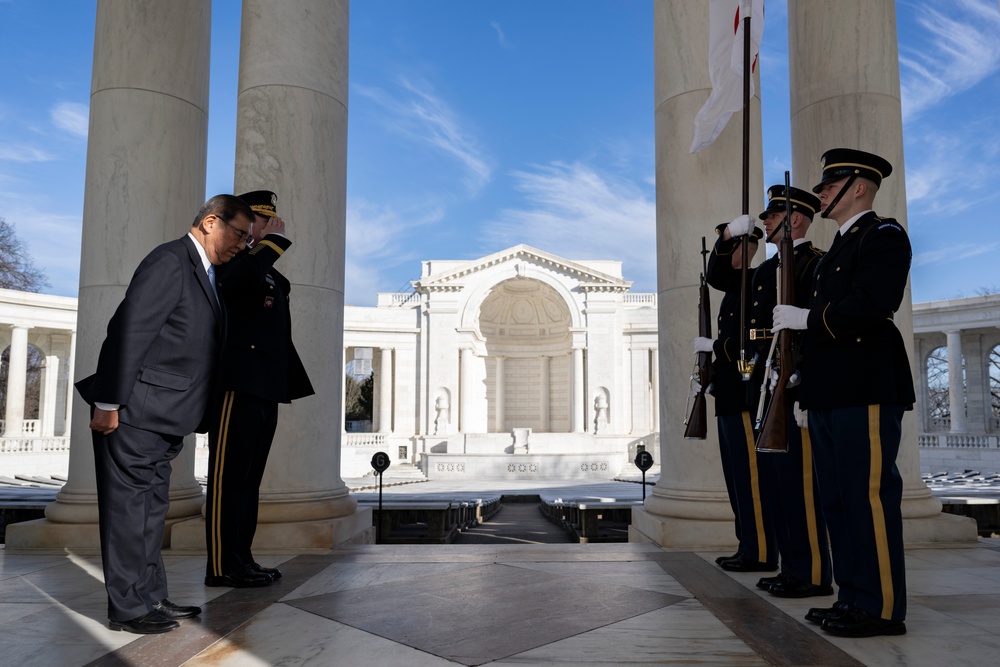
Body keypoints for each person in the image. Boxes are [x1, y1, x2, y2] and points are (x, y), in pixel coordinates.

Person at [76, 195, 256, 634]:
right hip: (135, 411)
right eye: (239, 234)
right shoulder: (170, 261)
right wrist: (107, 402)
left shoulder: (206, 271)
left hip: (165, 415)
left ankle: (151, 595)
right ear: (211, 222)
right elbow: (129, 329)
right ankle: (128, 607)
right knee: (127, 513)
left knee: (149, 510)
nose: (242, 245)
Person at [772, 148, 914, 638]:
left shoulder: (883, 236)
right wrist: (804, 382)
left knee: (868, 496)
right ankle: (852, 596)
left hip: (865, 384)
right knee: (836, 498)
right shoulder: (839, 246)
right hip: (831, 389)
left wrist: (807, 319)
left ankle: (881, 608)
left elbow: (873, 304)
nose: (821, 193)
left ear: (859, 186)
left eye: (830, 185)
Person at [204, 190, 314, 588]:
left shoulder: (262, 270)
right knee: (228, 477)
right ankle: (220, 565)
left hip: (265, 384)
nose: (274, 226)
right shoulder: (230, 263)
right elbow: (235, 282)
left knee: (249, 480)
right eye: (265, 221)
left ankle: (241, 558)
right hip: (237, 383)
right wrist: (271, 245)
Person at [747, 185, 833, 599]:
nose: (764, 221)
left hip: (793, 385)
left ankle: (812, 572)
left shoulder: (813, 264)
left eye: (771, 215)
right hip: (767, 385)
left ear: (795, 218)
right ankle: (792, 565)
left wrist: (803, 383)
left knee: (800, 485)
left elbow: (810, 330)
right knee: (778, 485)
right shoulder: (768, 270)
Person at [695, 216, 778, 572]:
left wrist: (721, 351)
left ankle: (759, 550)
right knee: (736, 478)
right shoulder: (735, 287)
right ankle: (749, 544)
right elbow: (717, 273)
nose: (728, 254)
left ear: (750, 248)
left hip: (745, 391)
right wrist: (714, 373)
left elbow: (752, 344)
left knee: (751, 477)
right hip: (729, 391)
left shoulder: (756, 282)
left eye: (734, 247)